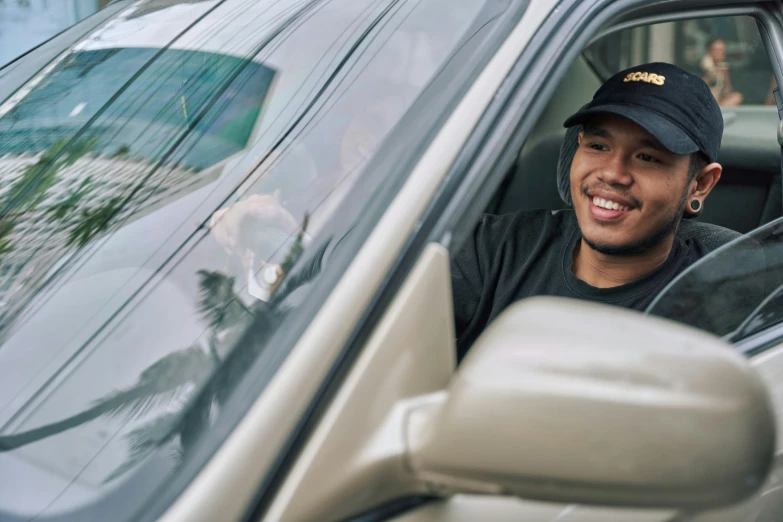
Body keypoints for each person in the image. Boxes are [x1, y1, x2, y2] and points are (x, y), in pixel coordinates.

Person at [211, 62, 725, 360]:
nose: (611, 173)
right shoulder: (497, 248)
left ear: (699, 184)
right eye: (597, 146)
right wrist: (287, 246)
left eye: (648, 157)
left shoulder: (722, 287)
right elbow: (362, 271)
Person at [701, 37, 743, 106]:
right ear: (709, 51)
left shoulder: (725, 67)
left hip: (720, 102)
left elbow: (727, 92)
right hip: (705, 102)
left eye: (722, 50)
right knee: (713, 93)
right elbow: (697, 89)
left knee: (737, 97)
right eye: (716, 50)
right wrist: (709, 77)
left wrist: (725, 77)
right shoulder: (702, 66)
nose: (719, 53)